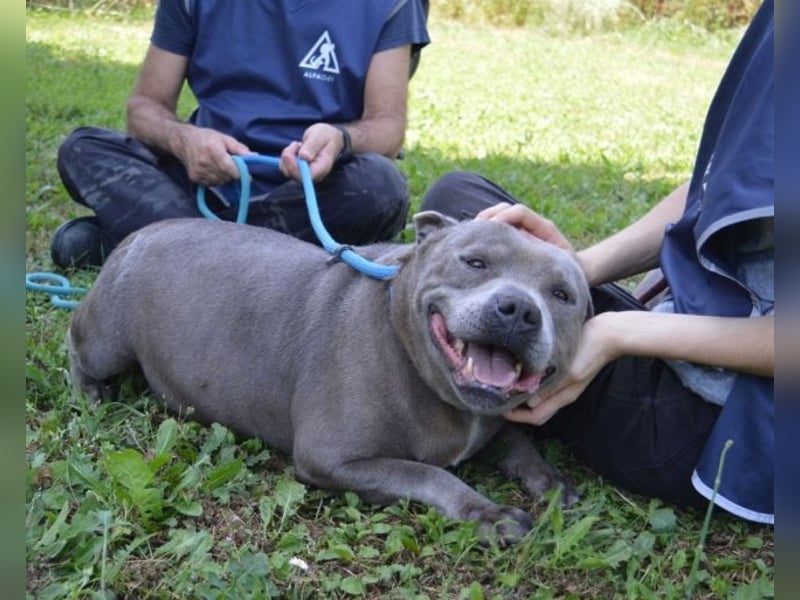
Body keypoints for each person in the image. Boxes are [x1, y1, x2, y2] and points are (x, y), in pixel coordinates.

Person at [419, 0, 774, 523]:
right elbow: (722, 181)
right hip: (687, 333)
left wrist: (615, 334)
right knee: (465, 198)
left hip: (722, 424)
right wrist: (576, 268)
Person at [51, 0, 430, 269]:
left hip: (312, 195)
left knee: (381, 187)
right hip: (203, 184)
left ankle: (156, 247)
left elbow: (387, 127)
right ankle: (226, 258)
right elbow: (145, 107)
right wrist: (185, 141)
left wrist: (339, 138)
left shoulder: (392, 3)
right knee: (82, 148)